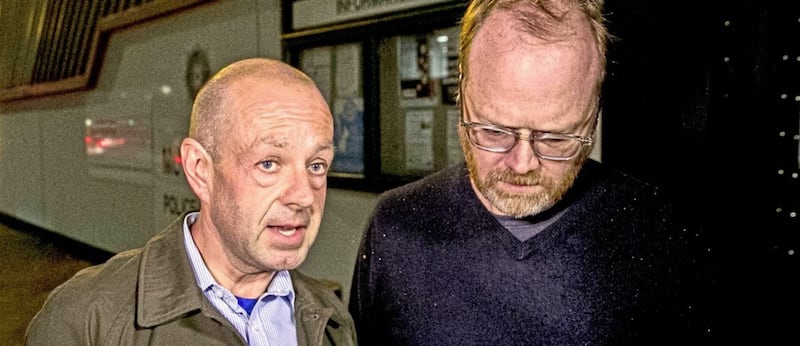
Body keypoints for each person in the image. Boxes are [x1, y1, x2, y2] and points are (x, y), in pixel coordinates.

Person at [348, 0, 714, 345]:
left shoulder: (659, 231)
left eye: (556, 138)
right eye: (494, 130)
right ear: (462, 88)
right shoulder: (394, 225)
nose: (522, 164)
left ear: (595, 107)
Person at [26, 58, 357, 345]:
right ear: (200, 170)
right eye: (268, 163)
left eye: (316, 165)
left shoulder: (329, 318)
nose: (303, 195)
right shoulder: (87, 320)